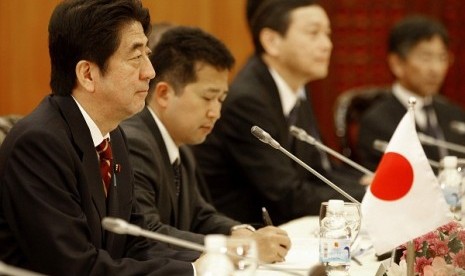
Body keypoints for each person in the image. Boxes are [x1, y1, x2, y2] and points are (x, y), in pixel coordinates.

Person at [0, 0, 202, 275]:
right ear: (87, 74)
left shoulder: (111, 134)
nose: (150, 72)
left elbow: (134, 240)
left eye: (148, 53)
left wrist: (217, 257)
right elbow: (76, 266)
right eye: (135, 57)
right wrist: (192, 271)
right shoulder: (38, 145)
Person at [120, 26, 291, 263]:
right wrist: (239, 248)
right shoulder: (134, 143)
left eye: (221, 100)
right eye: (208, 98)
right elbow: (147, 234)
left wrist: (239, 232)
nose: (216, 113)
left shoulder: (181, 146)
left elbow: (199, 215)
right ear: (163, 94)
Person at [192, 0, 368, 226]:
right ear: (272, 41)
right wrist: (372, 197)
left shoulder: (296, 87)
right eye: (313, 33)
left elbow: (316, 171)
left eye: (327, 34)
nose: (327, 45)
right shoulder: (248, 100)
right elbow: (287, 196)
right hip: (248, 234)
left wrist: (366, 184)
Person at [357, 15, 465, 172]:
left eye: (442, 58)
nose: (436, 69)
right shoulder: (377, 122)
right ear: (397, 64)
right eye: (426, 58)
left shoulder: (455, 115)